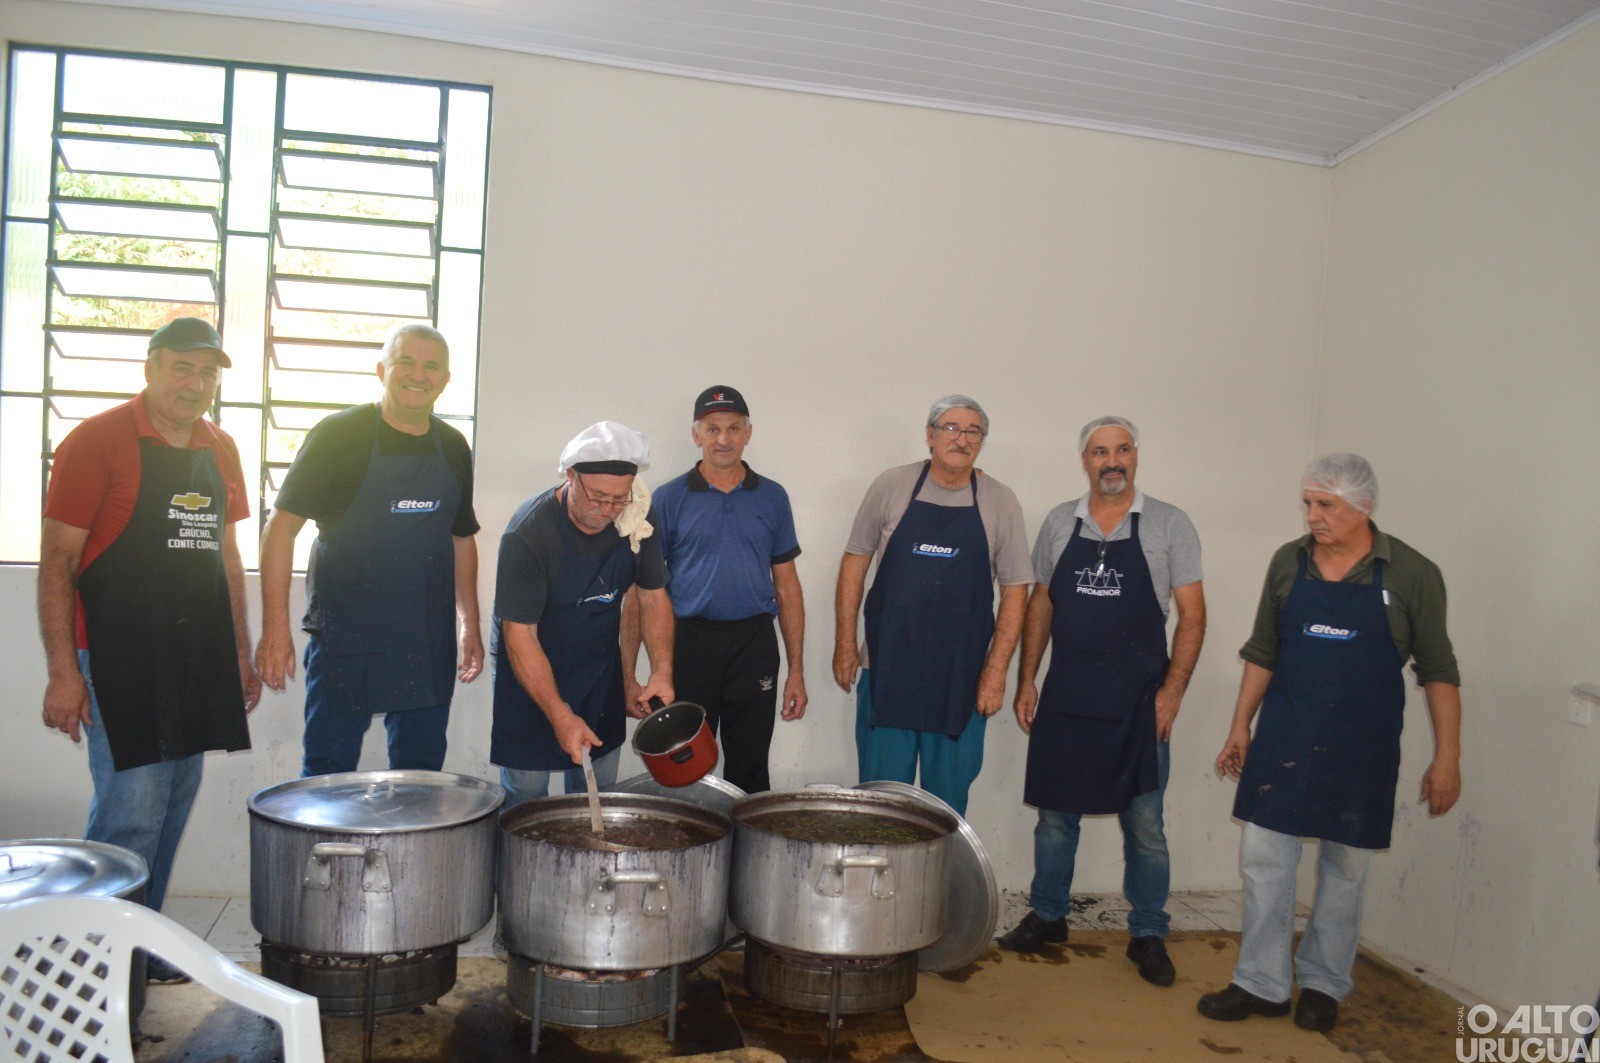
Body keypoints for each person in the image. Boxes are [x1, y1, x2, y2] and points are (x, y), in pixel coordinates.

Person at [1198, 453, 1462, 1033]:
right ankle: (1261, 983)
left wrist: (1448, 757)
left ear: (1363, 508)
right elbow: (1263, 650)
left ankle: (1322, 983)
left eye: (1326, 505)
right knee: (1265, 861)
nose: (1312, 516)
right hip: (1285, 736)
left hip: (1361, 747)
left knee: (1345, 870)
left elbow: (1439, 669)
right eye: (1309, 503)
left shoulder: (1412, 574)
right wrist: (1241, 724)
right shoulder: (1289, 564)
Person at [37, 317, 258, 980]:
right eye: (181, 368)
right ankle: (85, 964)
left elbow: (226, 555)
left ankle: (139, 947)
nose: (195, 384)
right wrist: (60, 674)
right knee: (132, 809)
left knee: (174, 798)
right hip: (115, 654)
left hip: (193, 656)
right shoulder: (96, 440)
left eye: (207, 373)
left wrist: (240, 652)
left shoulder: (221, 447)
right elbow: (58, 561)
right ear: (151, 367)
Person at [1000, 415, 1205, 992]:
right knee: (1055, 821)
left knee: (1146, 826)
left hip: (1140, 703)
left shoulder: (1169, 525)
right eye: (1098, 452)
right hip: (1067, 695)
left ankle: (1148, 932)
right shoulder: (1060, 524)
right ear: (1084, 460)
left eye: (1120, 450)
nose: (1110, 460)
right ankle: (1047, 914)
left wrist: (1173, 691)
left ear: (1135, 456)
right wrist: (1027, 679)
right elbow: (1041, 604)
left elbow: (1194, 616)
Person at [254, 324, 483, 777]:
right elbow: (280, 530)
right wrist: (275, 628)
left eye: (431, 366)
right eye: (406, 362)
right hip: (346, 636)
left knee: (420, 776)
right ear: (382, 370)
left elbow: (461, 538)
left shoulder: (453, 447)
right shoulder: (340, 436)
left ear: (445, 379)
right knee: (327, 772)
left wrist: (468, 623)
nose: (418, 375)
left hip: (425, 638)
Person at [832, 395, 1030, 816]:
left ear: (981, 441)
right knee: (881, 803)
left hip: (962, 679)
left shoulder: (1000, 501)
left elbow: (1016, 591)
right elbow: (855, 562)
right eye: (951, 428)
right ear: (930, 435)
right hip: (887, 670)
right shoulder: (892, 486)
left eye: (972, 431)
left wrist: (996, 673)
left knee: (947, 809)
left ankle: (941, 884)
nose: (961, 439)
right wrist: (846, 643)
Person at [624, 386, 805, 793]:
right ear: (697, 435)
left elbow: (788, 587)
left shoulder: (773, 497)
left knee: (751, 765)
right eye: (712, 429)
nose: (723, 439)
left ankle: (749, 855)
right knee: (686, 769)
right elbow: (643, 594)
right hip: (689, 642)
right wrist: (631, 675)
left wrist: (797, 671)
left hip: (754, 641)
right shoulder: (668, 500)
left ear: (748, 433)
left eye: (733, 428)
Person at [492, 421, 674, 805]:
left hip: (598, 665)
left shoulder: (637, 519)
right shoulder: (529, 533)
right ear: (570, 476)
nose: (606, 511)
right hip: (531, 658)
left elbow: (652, 597)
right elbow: (519, 635)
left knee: (598, 789)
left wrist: (660, 671)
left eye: (618, 499)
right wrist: (560, 715)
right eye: (596, 497)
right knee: (526, 793)